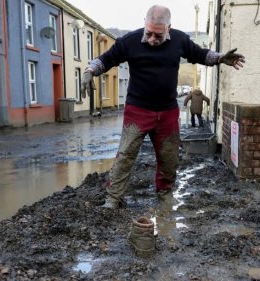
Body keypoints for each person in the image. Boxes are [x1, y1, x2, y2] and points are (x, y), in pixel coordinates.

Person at [81, 5, 245, 209]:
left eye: (158, 35)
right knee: (125, 155)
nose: (152, 39)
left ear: (169, 28)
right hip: (137, 111)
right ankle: (113, 198)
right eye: (148, 33)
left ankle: (165, 193)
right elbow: (106, 59)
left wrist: (220, 58)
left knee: (169, 158)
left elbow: (200, 54)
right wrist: (89, 71)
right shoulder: (129, 41)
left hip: (167, 112)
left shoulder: (179, 40)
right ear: (144, 24)